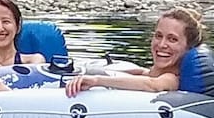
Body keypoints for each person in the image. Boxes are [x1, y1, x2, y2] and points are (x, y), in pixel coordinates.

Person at [63, 7, 204, 97]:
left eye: (172, 39)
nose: (162, 45)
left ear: (188, 47)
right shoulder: (154, 72)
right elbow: (143, 74)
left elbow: (152, 85)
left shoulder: (171, 78)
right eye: (158, 36)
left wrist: (97, 80)